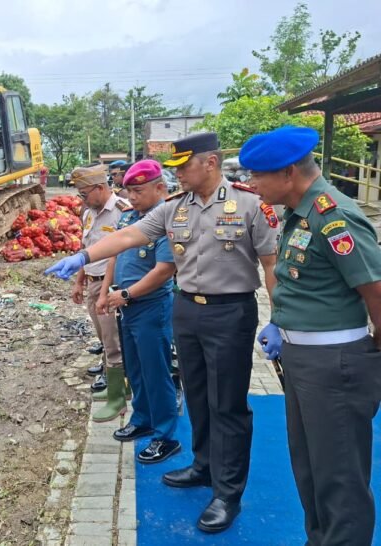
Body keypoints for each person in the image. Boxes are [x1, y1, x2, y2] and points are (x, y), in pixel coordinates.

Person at [45, 132, 278, 533]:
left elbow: (271, 264)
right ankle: (203, 466)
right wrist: (83, 256)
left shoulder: (249, 203)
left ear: (211, 162)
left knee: (229, 405)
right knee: (200, 396)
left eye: (184, 166)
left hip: (231, 312)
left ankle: (227, 493)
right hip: (187, 310)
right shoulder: (175, 208)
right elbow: (128, 235)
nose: (178, 175)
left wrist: (280, 318)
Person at [242, 126, 381, 546]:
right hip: (306, 362)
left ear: (287, 173)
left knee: (339, 477)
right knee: (310, 467)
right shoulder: (298, 213)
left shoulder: (332, 215)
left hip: (336, 364)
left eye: (257, 175)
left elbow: (375, 289)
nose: (251, 184)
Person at [97, 160, 180, 464]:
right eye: (129, 191)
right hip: (125, 306)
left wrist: (127, 294)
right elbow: (113, 254)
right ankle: (142, 418)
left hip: (150, 307)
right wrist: (107, 291)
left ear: (160, 188)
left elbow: (164, 271)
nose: (132, 197)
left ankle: (166, 436)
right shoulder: (129, 218)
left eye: (139, 191)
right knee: (136, 369)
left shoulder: (167, 222)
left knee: (157, 373)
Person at [72, 165, 129, 422]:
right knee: (103, 337)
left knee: (113, 339)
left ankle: (118, 397)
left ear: (100, 188)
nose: (82, 199)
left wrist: (105, 291)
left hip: (110, 284)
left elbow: (115, 258)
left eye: (85, 193)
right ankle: (114, 383)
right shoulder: (88, 213)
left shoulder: (122, 212)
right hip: (93, 283)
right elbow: (87, 248)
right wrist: (79, 282)